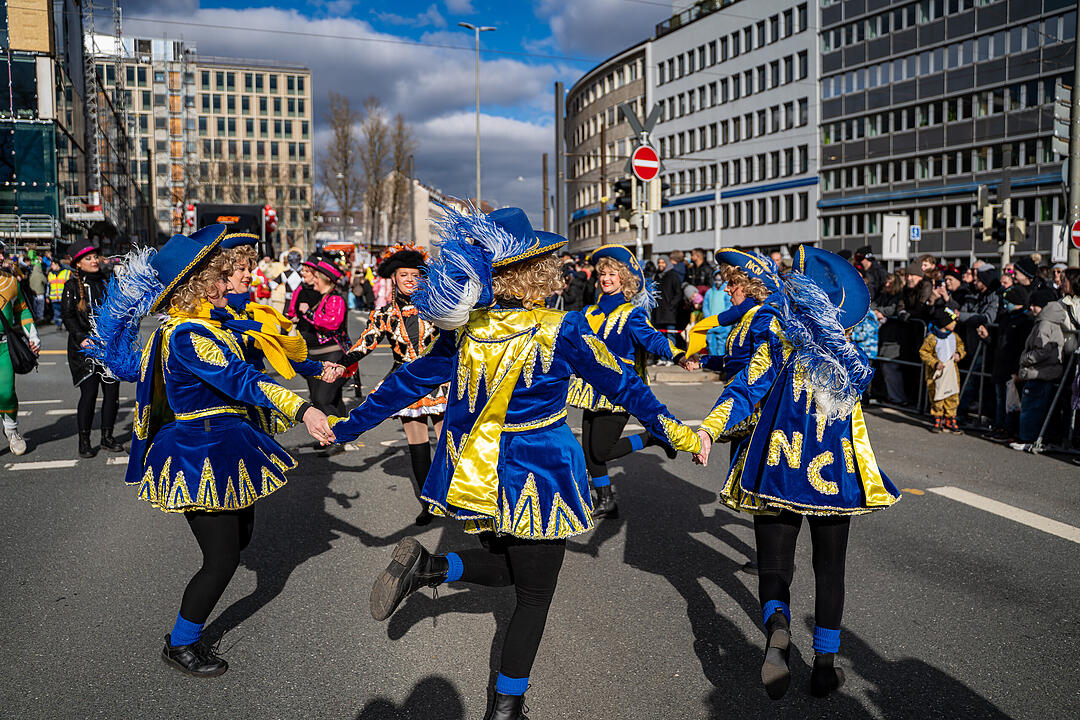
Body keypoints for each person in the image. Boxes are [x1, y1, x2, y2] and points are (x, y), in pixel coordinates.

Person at [328, 207, 702, 719]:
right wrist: (678, 431)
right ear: (536, 272)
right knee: (534, 593)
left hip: (476, 474)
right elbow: (625, 385)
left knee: (516, 570)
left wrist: (345, 426)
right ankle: (505, 708)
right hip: (539, 472)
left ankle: (431, 567)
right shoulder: (561, 328)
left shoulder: (465, 331)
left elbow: (404, 384)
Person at [84, 224, 333, 677]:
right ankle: (181, 642)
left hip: (227, 446)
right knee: (221, 560)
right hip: (200, 454)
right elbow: (241, 379)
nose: (227, 283)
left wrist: (318, 365)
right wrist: (303, 410)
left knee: (240, 539)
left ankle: (187, 631)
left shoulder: (205, 327)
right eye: (219, 277)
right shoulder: (186, 336)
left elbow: (256, 350)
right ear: (197, 285)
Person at [695, 246, 900, 701]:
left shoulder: (778, 334)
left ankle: (778, 629)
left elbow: (747, 387)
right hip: (835, 477)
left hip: (778, 469)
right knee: (830, 569)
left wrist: (710, 429)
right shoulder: (847, 353)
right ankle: (825, 667)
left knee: (774, 565)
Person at [566, 244, 697, 519]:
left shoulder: (631, 314)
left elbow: (653, 338)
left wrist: (678, 355)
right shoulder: (589, 312)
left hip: (619, 391)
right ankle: (606, 500)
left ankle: (651, 437)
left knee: (601, 451)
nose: (606, 279)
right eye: (603, 274)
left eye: (612, 274)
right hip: (591, 389)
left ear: (624, 279)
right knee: (588, 451)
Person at [341, 244, 446, 526]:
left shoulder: (438, 307)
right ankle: (429, 503)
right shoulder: (385, 314)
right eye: (404, 275)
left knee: (449, 440)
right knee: (418, 444)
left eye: (415, 274)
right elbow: (366, 341)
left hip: (438, 379)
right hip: (406, 383)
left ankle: (455, 495)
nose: (410, 279)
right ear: (394, 278)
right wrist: (343, 361)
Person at [60, 239, 125, 457]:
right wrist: (82, 338)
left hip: (109, 347)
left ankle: (107, 437)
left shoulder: (108, 281)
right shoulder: (72, 286)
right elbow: (68, 316)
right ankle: (84, 441)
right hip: (85, 349)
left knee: (112, 394)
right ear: (78, 263)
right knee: (89, 394)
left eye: (95, 256)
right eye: (88, 258)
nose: (94, 260)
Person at [1012, 277, 1080, 450]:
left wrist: (1025, 359)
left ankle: (1027, 438)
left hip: (1039, 371)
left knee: (1032, 408)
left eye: (1036, 305)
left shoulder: (1045, 324)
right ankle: (1038, 438)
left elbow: (1043, 350)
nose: (1032, 308)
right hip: (1045, 372)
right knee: (1039, 408)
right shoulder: (1049, 323)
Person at [295, 259, 350, 452]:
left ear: (325, 279)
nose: (314, 281)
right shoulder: (322, 297)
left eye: (316, 277)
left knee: (322, 399)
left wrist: (308, 314)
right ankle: (335, 436)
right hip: (317, 355)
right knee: (331, 399)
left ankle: (335, 437)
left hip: (333, 354)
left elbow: (332, 323)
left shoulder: (336, 298)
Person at [986, 285, 1033, 442]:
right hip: (1000, 364)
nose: (1006, 304)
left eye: (1009, 301)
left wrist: (1018, 369)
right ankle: (1000, 425)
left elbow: (1021, 347)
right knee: (1000, 399)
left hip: (1013, 367)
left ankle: (1010, 429)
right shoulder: (1005, 318)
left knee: (1012, 401)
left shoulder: (1025, 321)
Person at [0, 264, 39, 455]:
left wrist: (33, 336)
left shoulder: (11, 281)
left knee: (6, 392)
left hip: (3, 346)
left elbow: (22, 310)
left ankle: (11, 430)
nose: (1, 256)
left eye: (1, 251)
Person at [919, 306, 966, 434]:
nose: (955, 324)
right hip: (936, 373)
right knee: (937, 395)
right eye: (952, 322)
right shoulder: (932, 338)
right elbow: (924, 352)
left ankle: (950, 418)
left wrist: (959, 355)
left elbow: (961, 346)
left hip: (951, 372)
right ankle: (937, 418)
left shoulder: (954, 336)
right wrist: (934, 363)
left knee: (952, 394)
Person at [702, 267, 733, 355]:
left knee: (722, 344)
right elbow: (705, 306)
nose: (717, 282)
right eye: (716, 280)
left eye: (720, 280)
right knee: (711, 343)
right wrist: (709, 318)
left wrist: (721, 318)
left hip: (722, 323)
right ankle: (712, 361)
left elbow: (728, 306)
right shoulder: (709, 292)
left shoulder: (726, 292)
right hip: (711, 323)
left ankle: (720, 363)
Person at [47, 259, 71, 329]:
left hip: (64, 297)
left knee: (65, 312)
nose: (51, 266)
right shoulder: (50, 274)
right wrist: (47, 296)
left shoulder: (66, 272)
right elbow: (48, 287)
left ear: (57, 264)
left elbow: (70, 286)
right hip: (54, 298)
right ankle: (59, 324)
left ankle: (66, 324)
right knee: (56, 312)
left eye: (52, 264)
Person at [28, 255, 47, 322]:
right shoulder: (40, 274)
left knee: (35, 305)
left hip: (33, 292)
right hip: (40, 292)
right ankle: (40, 316)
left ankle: (35, 316)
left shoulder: (31, 275)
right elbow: (45, 281)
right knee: (41, 305)